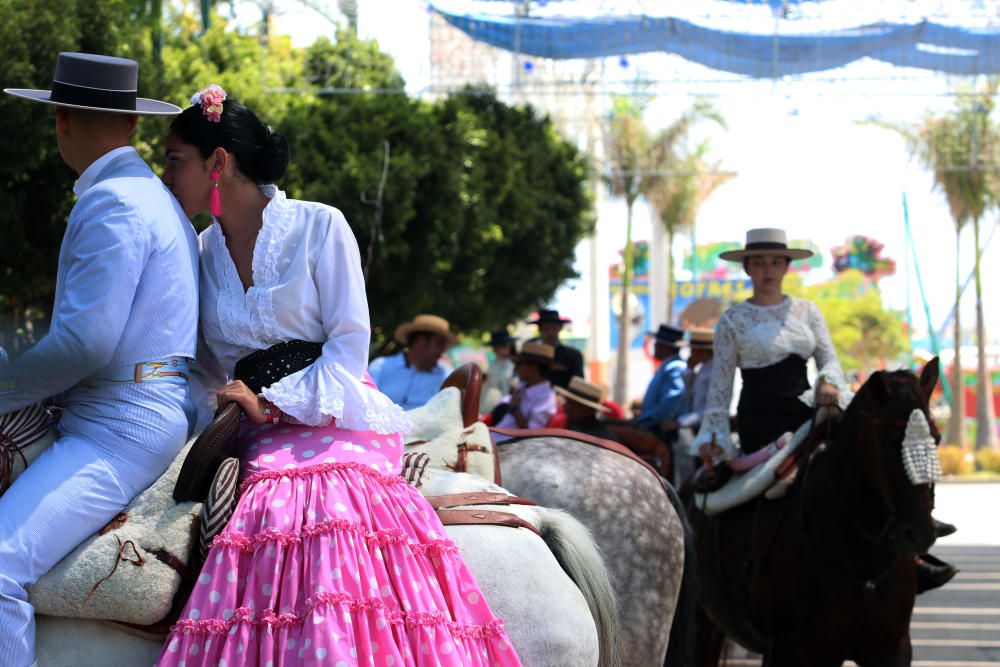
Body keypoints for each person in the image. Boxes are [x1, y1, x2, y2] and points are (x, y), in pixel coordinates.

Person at [157, 87, 521, 666]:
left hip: (330, 410)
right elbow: (202, 363)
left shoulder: (320, 225)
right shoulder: (198, 251)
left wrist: (271, 406)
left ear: (217, 163)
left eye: (175, 159)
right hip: (246, 421)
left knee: (317, 505)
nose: (166, 174)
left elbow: (350, 345)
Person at [0, 53, 199, 667]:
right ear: (133, 125)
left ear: (60, 120)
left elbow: (83, 346)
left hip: (119, 427)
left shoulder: (112, 200)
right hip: (137, 406)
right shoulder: (152, 196)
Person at [691, 227, 955, 592]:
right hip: (762, 423)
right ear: (748, 269)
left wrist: (828, 383)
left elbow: (829, 361)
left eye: (775, 262)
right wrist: (714, 439)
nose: (768, 269)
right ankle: (749, 572)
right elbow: (719, 391)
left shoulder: (807, 311)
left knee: (867, 465)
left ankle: (910, 556)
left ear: (786, 267)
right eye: (759, 262)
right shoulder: (732, 321)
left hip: (809, 412)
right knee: (773, 491)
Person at [367, 314, 458, 410]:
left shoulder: (447, 375)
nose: (443, 349)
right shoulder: (380, 367)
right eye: (439, 343)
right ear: (421, 341)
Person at [674, 327, 715, 485]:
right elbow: (690, 396)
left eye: (694, 349)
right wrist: (690, 370)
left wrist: (679, 422)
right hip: (698, 428)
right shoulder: (703, 369)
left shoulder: (713, 372)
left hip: (708, 430)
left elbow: (708, 409)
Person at [635, 324, 688, 438]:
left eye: (657, 343)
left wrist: (646, 419)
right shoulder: (669, 365)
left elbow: (672, 400)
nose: (655, 346)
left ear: (665, 346)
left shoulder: (675, 367)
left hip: (661, 431)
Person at [494, 342, 558, 434]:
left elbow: (531, 432)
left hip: (510, 443)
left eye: (519, 364)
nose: (516, 369)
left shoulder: (545, 398)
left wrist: (515, 409)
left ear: (533, 367)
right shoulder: (523, 385)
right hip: (498, 434)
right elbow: (507, 400)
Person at [529, 309, 584, 389]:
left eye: (554, 328)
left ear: (560, 328)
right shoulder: (531, 356)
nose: (550, 333)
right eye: (546, 328)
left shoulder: (573, 356)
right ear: (540, 330)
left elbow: (579, 386)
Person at [556, 376, 616, 440]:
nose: (565, 406)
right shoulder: (568, 425)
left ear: (588, 410)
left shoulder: (600, 437)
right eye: (567, 402)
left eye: (572, 405)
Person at [480, 328, 518, 414]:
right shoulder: (491, 364)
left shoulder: (514, 365)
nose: (495, 349)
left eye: (504, 345)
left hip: (506, 404)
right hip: (490, 404)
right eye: (496, 347)